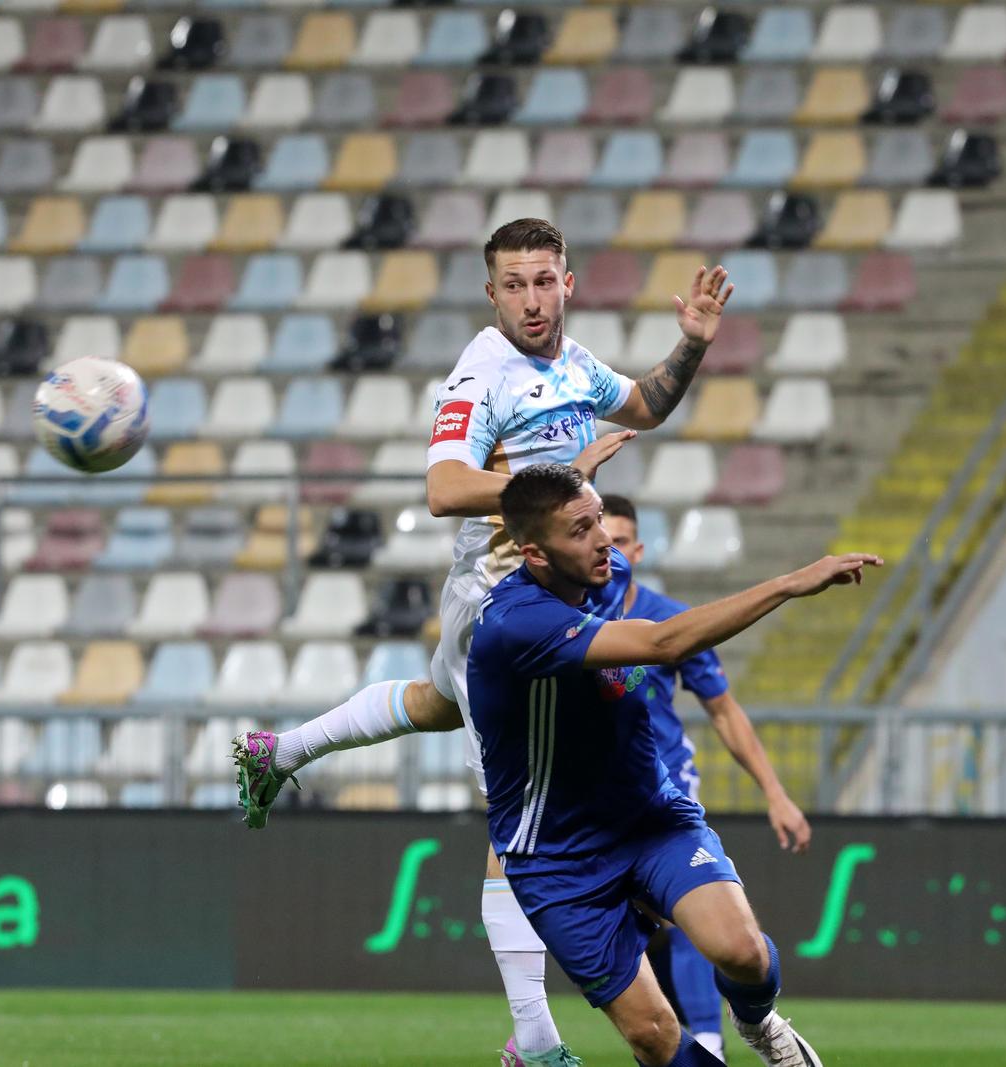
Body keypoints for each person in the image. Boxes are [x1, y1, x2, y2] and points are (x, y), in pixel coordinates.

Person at [233, 218, 735, 1066]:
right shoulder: (485, 372)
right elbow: (443, 486)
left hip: (525, 595)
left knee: (431, 704)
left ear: (568, 281)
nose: (532, 300)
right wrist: (552, 483)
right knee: (519, 826)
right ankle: (536, 1042)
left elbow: (646, 403)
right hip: (497, 610)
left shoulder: (571, 366)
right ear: (491, 291)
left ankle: (278, 751)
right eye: (514, 285)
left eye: (545, 281)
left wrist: (689, 348)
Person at [468, 463, 879, 1067]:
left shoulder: (608, 573)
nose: (604, 539)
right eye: (581, 530)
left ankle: (760, 1022)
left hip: (649, 819)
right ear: (534, 554)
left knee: (742, 952)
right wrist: (791, 583)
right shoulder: (517, 623)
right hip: (556, 856)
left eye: (600, 519)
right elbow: (662, 645)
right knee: (653, 1036)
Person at [600, 494, 811, 1062]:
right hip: (595, 804)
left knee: (693, 915)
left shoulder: (673, 619)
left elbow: (723, 710)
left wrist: (775, 793)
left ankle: (721, 1035)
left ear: (637, 550)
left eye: (620, 540)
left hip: (666, 790)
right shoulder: (566, 620)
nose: (608, 550)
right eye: (600, 537)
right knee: (637, 940)